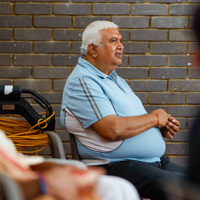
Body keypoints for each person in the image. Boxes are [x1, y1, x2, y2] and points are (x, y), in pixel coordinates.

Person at [60, 20, 186, 200]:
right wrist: (156, 118)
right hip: (116, 166)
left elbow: (132, 121)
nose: (120, 46)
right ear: (92, 49)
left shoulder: (114, 79)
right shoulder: (83, 81)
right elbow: (112, 129)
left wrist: (158, 127)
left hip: (150, 163)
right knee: (185, 191)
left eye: (120, 41)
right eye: (113, 41)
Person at [0, 129, 140, 200]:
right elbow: (112, 129)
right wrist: (44, 184)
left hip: (32, 179)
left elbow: (23, 162)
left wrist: (64, 170)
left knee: (116, 187)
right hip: (22, 191)